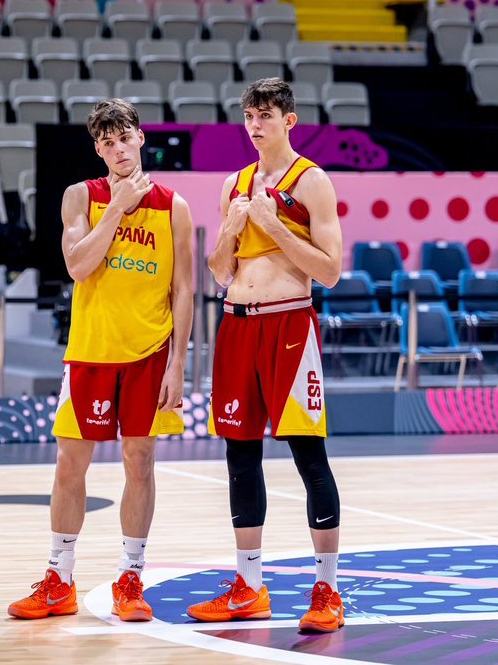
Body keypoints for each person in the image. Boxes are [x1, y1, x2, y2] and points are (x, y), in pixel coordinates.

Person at [8, 99, 194, 623]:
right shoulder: (78, 197)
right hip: (91, 352)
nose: (117, 149)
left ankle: (131, 578)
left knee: (140, 462)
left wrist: (179, 362)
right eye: (106, 142)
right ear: (98, 149)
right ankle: (59, 578)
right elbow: (78, 267)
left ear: (140, 138)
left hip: (149, 353)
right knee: (71, 464)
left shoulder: (173, 205)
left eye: (124, 138)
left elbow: (184, 289)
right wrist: (116, 206)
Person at [188, 78, 345, 633]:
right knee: (239, 459)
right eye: (249, 115)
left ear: (289, 121)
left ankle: (327, 589)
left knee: (308, 456)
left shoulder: (313, 181)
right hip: (237, 325)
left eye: (266, 115)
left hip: (288, 327)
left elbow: (329, 270)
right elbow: (220, 271)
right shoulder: (235, 182)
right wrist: (229, 232)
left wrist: (274, 226)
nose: (255, 124)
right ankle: (249, 586)